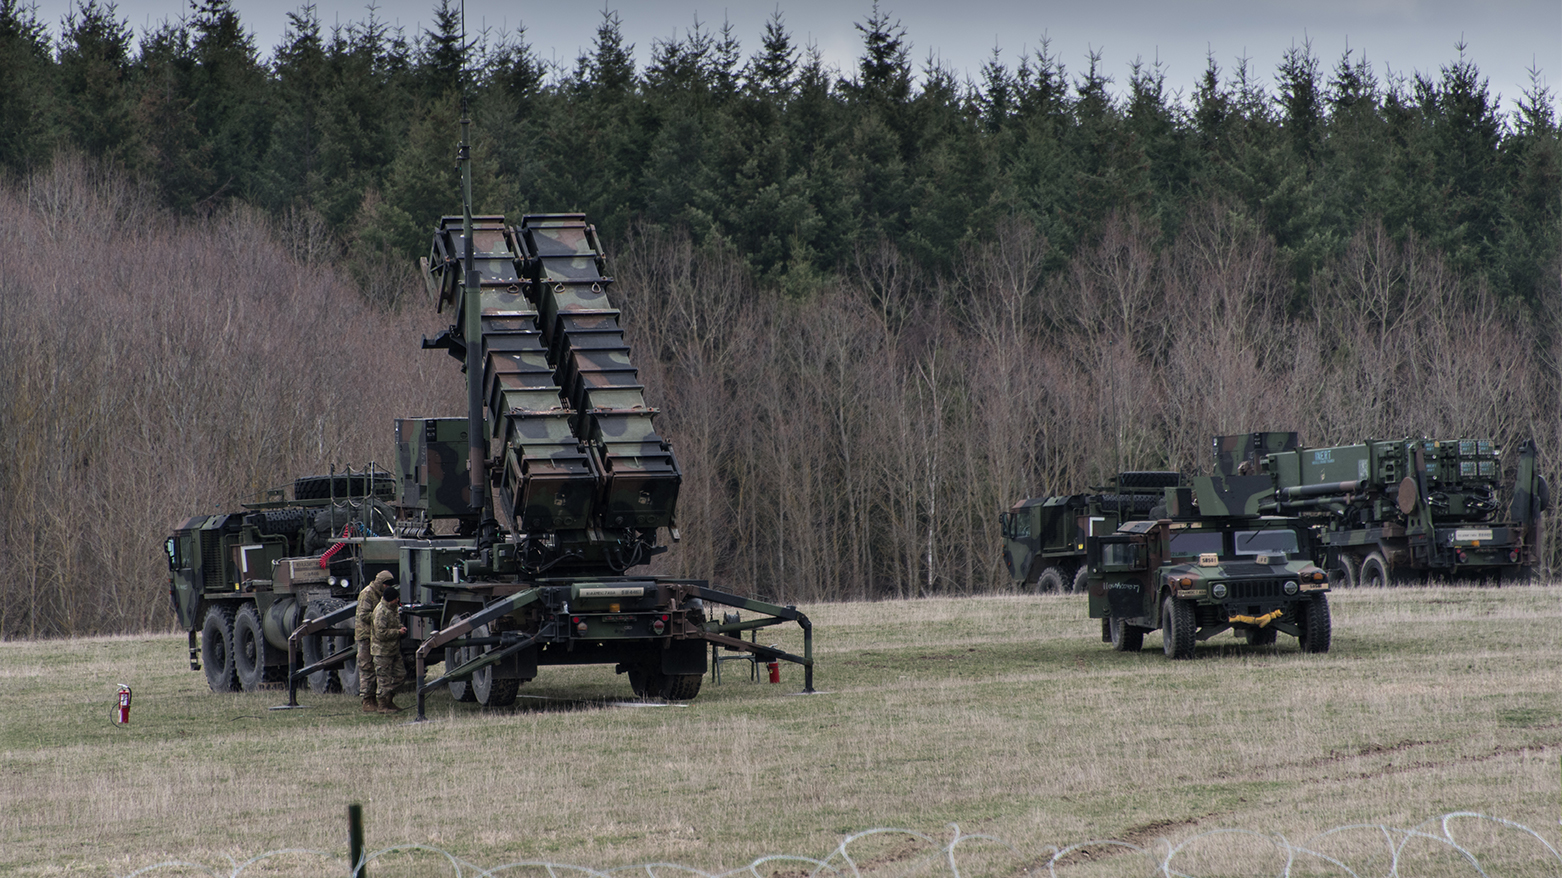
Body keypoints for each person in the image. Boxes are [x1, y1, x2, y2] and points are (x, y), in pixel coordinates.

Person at [355, 570, 394, 712]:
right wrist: (381, 616)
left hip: (377, 635)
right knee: (367, 667)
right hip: (366, 635)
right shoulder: (367, 593)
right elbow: (363, 615)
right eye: (386, 584)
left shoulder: (382, 594)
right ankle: (367, 700)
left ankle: (383, 700)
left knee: (381, 668)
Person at [371, 585, 409, 713]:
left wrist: (400, 627)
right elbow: (380, 633)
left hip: (393, 650)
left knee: (401, 676)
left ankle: (389, 700)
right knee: (384, 680)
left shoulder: (393, 609)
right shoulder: (381, 612)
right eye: (395, 598)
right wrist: (397, 632)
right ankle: (382, 706)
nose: (397, 600)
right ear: (390, 599)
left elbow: (395, 623)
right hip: (382, 652)